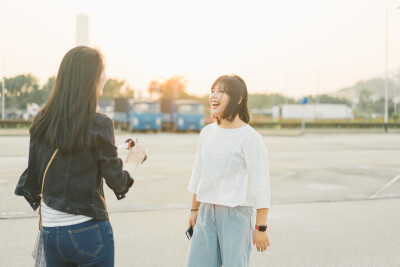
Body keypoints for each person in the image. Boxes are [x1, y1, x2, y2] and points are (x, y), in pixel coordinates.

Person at [15, 46, 146, 267]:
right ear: (93, 77)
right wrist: (132, 162)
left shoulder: (41, 120)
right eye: (103, 70)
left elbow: (35, 176)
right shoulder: (99, 123)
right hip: (88, 231)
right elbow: (118, 182)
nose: (105, 76)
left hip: (51, 232)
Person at [186, 74, 271, 267]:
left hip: (236, 215)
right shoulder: (207, 133)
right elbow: (198, 174)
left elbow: (261, 185)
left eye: (221, 92)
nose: (214, 96)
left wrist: (261, 226)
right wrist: (194, 209)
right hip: (206, 211)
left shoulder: (250, 138)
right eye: (212, 91)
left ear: (238, 99)